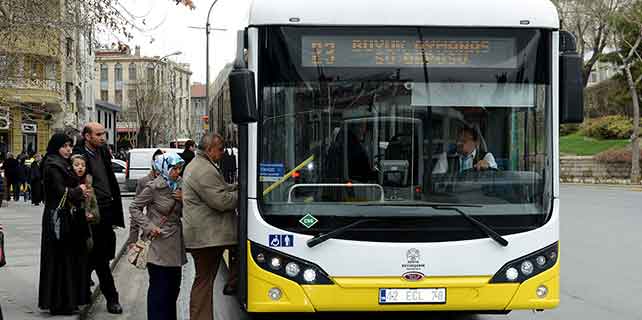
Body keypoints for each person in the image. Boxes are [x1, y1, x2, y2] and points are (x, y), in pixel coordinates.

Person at [182, 133, 239, 320]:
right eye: (220, 149)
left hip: (206, 238)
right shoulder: (203, 169)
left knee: (204, 281)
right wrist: (245, 195)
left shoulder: (201, 165)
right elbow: (221, 201)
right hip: (206, 238)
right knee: (204, 282)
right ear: (209, 149)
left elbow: (219, 188)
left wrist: (235, 187)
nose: (223, 153)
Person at [72, 122, 124, 314]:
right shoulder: (79, 156)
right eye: (99, 134)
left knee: (101, 254)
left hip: (106, 209)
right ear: (87, 136)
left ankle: (83, 290)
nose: (103, 137)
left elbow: (108, 180)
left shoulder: (102, 152)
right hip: (89, 212)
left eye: (104, 134)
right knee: (99, 258)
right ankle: (112, 298)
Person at [38, 133, 92, 315]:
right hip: (58, 219)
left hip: (67, 218)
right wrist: (78, 190)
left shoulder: (61, 163)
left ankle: (68, 301)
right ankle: (60, 303)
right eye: (65, 146)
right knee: (59, 260)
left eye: (70, 146)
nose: (69, 149)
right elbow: (60, 192)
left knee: (67, 260)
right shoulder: (52, 165)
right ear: (56, 147)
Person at [129, 152, 186, 320]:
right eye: (173, 168)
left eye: (179, 168)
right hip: (158, 245)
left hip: (175, 243)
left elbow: (189, 212)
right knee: (159, 291)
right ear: (164, 168)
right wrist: (149, 226)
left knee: (173, 289)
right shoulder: (153, 187)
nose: (177, 172)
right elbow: (134, 207)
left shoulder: (182, 186)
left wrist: (184, 199)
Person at [126, 149, 164, 249]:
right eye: (157, 162)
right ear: (153, 163)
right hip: (150, 233)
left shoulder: (173, 182)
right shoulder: (144, 182)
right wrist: (133, 239)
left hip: (169, 234)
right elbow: (136, 209)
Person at [433, 126, 498, 174]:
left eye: (464, 140)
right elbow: (437, 179)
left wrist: (487, 165)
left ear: (476, 142)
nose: (458, 143)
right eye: (458, 140)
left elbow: (495, 174)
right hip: (453, 192)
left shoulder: (486, 156)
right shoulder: (446, 156)